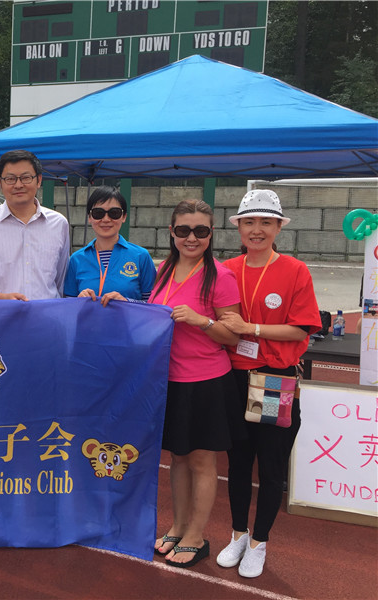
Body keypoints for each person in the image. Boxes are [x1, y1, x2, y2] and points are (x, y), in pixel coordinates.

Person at [215, 189, 321, 578]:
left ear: (278, 227)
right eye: (249, 222)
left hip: (274, 379)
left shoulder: (295, 270)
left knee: (271, 465)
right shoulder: (226, 269)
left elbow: (301, 329)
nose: (256, 229)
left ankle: (260, 542)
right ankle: (238, 534)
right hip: (234, 378)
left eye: (265, 222)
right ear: (239, 227)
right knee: (238, 462)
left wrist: (251, 328)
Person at [147, 199, 242, 568]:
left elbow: (233, 336)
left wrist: (202, 321)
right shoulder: (163, 270)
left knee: (201, 459)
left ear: (211, 234)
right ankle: (178, 526)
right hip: (168, 378)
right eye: (184, 230)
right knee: (177, 456)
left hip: (206, 381)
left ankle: (196, 536)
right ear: (172, 232)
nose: (191, 238)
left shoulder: (220, 276)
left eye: (200, 231)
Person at [0, 149, 70, 300]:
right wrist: (2, 299)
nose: (18, 185)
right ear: (0, 182)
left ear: (39, 180)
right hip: (0, 314)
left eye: (26, 178)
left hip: (47, 314)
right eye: (10, 179)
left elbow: (62, 282)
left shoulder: (59, 224)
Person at [64, 186, 156, 303]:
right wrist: (78, 300)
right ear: (89, 217)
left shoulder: (141, 257)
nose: (106, 219)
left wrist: (126, 302)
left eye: (114, 213)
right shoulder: (76, 259)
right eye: (98, 213)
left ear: (124, 217)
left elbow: (153, 304)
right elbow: (68, 303)